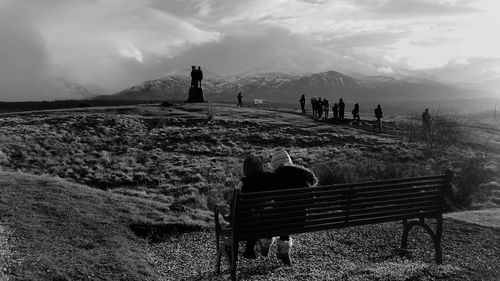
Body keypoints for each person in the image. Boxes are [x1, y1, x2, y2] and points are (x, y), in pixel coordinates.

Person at [260, 149, 317, 265]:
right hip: (300, 220)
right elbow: (312, 202)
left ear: (275, 165)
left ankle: (266, 244)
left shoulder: (275, 177)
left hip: (280, 219)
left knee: (275, 215)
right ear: (290, 162)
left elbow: (264, 199)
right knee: (287, 213)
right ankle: (283, 252)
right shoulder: (303, 176)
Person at [230, 156, 274, 259]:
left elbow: (234, 202)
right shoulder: (269, 178)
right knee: (257, 216)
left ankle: (243, 250)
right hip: (267, 220)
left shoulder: (244, 182)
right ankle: (250, 248)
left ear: (245, 169)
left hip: (248, 223)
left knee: (247, 214)